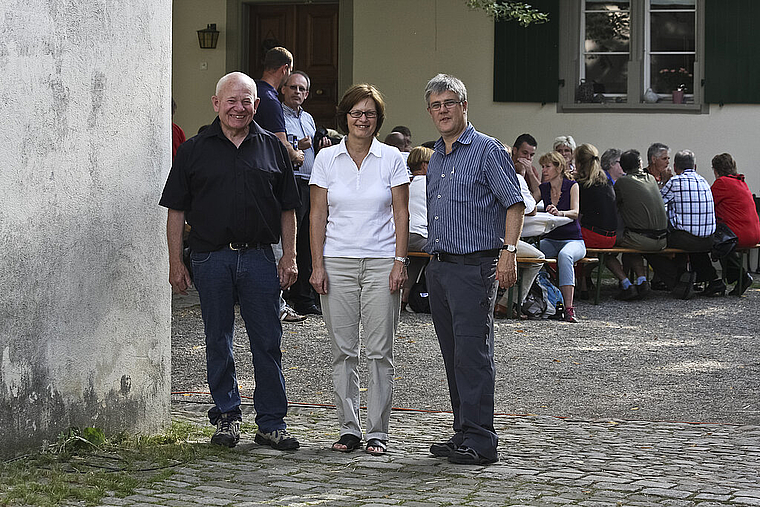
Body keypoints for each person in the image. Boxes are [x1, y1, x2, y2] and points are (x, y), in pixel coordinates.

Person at [160, 72, 301, 450]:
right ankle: (226, 416)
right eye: (232, 100)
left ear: (257, 105)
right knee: (217, 339)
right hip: (211, 259)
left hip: (259, 259)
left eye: (247, 101)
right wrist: (176, 262)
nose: (240, 108)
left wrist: (289, 256)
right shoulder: (193, 149)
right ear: (216, 103)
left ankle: (271, 423)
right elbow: (175, 210)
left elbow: (288, 209)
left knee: (268, 340)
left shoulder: (273, 148)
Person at [424, 74, 524, 465]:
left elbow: (513, 202)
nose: (443, 110)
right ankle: (463, 430)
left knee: (473, 355)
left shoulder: (487, 150)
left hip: (474, 267)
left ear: (464, 106)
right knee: (454, 355)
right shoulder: (437, 155)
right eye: (436, 105)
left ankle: (482, 440)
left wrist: (509, 252)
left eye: (449, 102)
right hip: (440, 267)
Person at [309, 84, 410, 456]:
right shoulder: (326, 160)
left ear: (378, 119)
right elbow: (317, 215)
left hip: (383, 261)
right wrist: (317, 264)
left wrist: (400, 261)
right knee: (343, 351)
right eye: (356, 112)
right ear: (345, 117)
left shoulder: (393, 158)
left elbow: (402, 213)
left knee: (380, 351)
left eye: (369, 113)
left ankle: (378, 431)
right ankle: (349, 428)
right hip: (337, 261)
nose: (362, 119)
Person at [254, 46, 305, 322]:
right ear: (285, 69)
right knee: (277, 243)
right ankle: (277, 304)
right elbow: (280, 142)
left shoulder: (255, 93)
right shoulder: (270, 99)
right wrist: (298, 155)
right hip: (273, 181)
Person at [281, 70, 332, 316]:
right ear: (283, 89)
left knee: (309, 242)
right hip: (290, 183)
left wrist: (322, 147)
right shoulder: (276, 115)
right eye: (293, 88)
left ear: (308, 93)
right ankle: (285, 296)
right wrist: (294, 144)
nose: (297, 93)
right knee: (290, 242)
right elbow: (275, 143)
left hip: (311, 184)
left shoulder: (309, 119)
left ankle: (304, 297)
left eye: (302, 89)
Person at [574, 144, 636, 300]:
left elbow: (577, 214)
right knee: (603, 255)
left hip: (595, 236)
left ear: (579, 163)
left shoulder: (582, 184)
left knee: (571, 239)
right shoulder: (605, 181)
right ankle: (626, 282)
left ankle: (580, 286)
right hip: (611, 236)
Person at [658, 150, 723, 298]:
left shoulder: (675, 182)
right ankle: (713, 281)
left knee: (656, 242)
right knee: (694, 243)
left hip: (686, 239)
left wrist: (664, 182)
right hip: (708, 239)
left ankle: (679, 280)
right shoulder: (704, 182)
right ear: (695, 166)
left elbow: (658, 205)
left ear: (675, 167)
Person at [494, 133, 545, 318]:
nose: (527, 159)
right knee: (537, 258)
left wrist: (528, 174)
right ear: (513, 152)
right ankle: (507, 303)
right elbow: (530, 208)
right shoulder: (513, 176)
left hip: (480, 237)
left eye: (531, 156)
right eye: (524, 154)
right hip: (500, 239)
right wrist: (523, 177)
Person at [534, 151, 585, 322]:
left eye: (547, 166)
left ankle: (569, 308)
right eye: (542, 167)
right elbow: (528, 205)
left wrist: (560, 212)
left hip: (573, 239)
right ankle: (534, 299)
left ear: (559, 168)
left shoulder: (572, 185)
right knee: (531, 254)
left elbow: (575, 212)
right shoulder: (544, 188)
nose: (544, 170)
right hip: (551, 239)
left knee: (565, 256)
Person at [614, 149, 668, 297]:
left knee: (610, 244)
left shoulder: (622, 182)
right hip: (662, 239)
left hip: (642, 239)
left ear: (623, 167)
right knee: (632, 241)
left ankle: (625, 283)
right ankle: (642, 280)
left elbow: (616, 205)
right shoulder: (651, 179)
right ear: (639, 163)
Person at [710, 153, 760, 295]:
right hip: (754, 232)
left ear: (716, 170)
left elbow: (707, 203)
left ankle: (741, 276)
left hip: (739, 234)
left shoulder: (722, 183)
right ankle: (739, 277)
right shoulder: (741, 182)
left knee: (716, 242)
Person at [402, 146, 433, 310]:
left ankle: (404, 298)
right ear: (424, 165)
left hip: (401, 238)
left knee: (416, 259)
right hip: (420, 235)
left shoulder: (405, 183)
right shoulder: (431, 185)